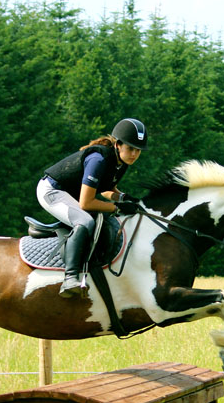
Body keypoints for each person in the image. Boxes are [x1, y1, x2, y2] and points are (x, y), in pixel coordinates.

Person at [37, 118, 148, 298]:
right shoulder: (99, 159)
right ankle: (70, 278)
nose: (134, 154)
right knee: (85, 221)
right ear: (118, 145)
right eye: (130, 148)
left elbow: (106, 189)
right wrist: (117, 208)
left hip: (70, 194)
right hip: (52, 191)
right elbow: (86, 204)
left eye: (138, 150)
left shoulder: (121, 161)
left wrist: (123, 197)